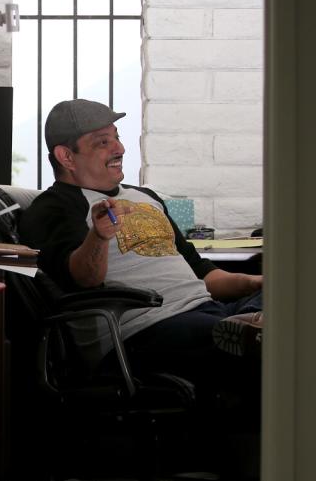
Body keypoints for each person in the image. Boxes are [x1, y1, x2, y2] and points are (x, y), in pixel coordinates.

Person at [17, 98, 262, 409]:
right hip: (146, 329)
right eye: (103, 142)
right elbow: (84, 280)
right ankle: (252, 332)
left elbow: (204, 274)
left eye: (117, 137)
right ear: (66, 156)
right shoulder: (54, 207)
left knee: (288, 304)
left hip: (208, 311)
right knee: (269, 346)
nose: (119, 149)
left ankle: (252, 325)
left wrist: (256, 282)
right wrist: (98, 236)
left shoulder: (146, 197)